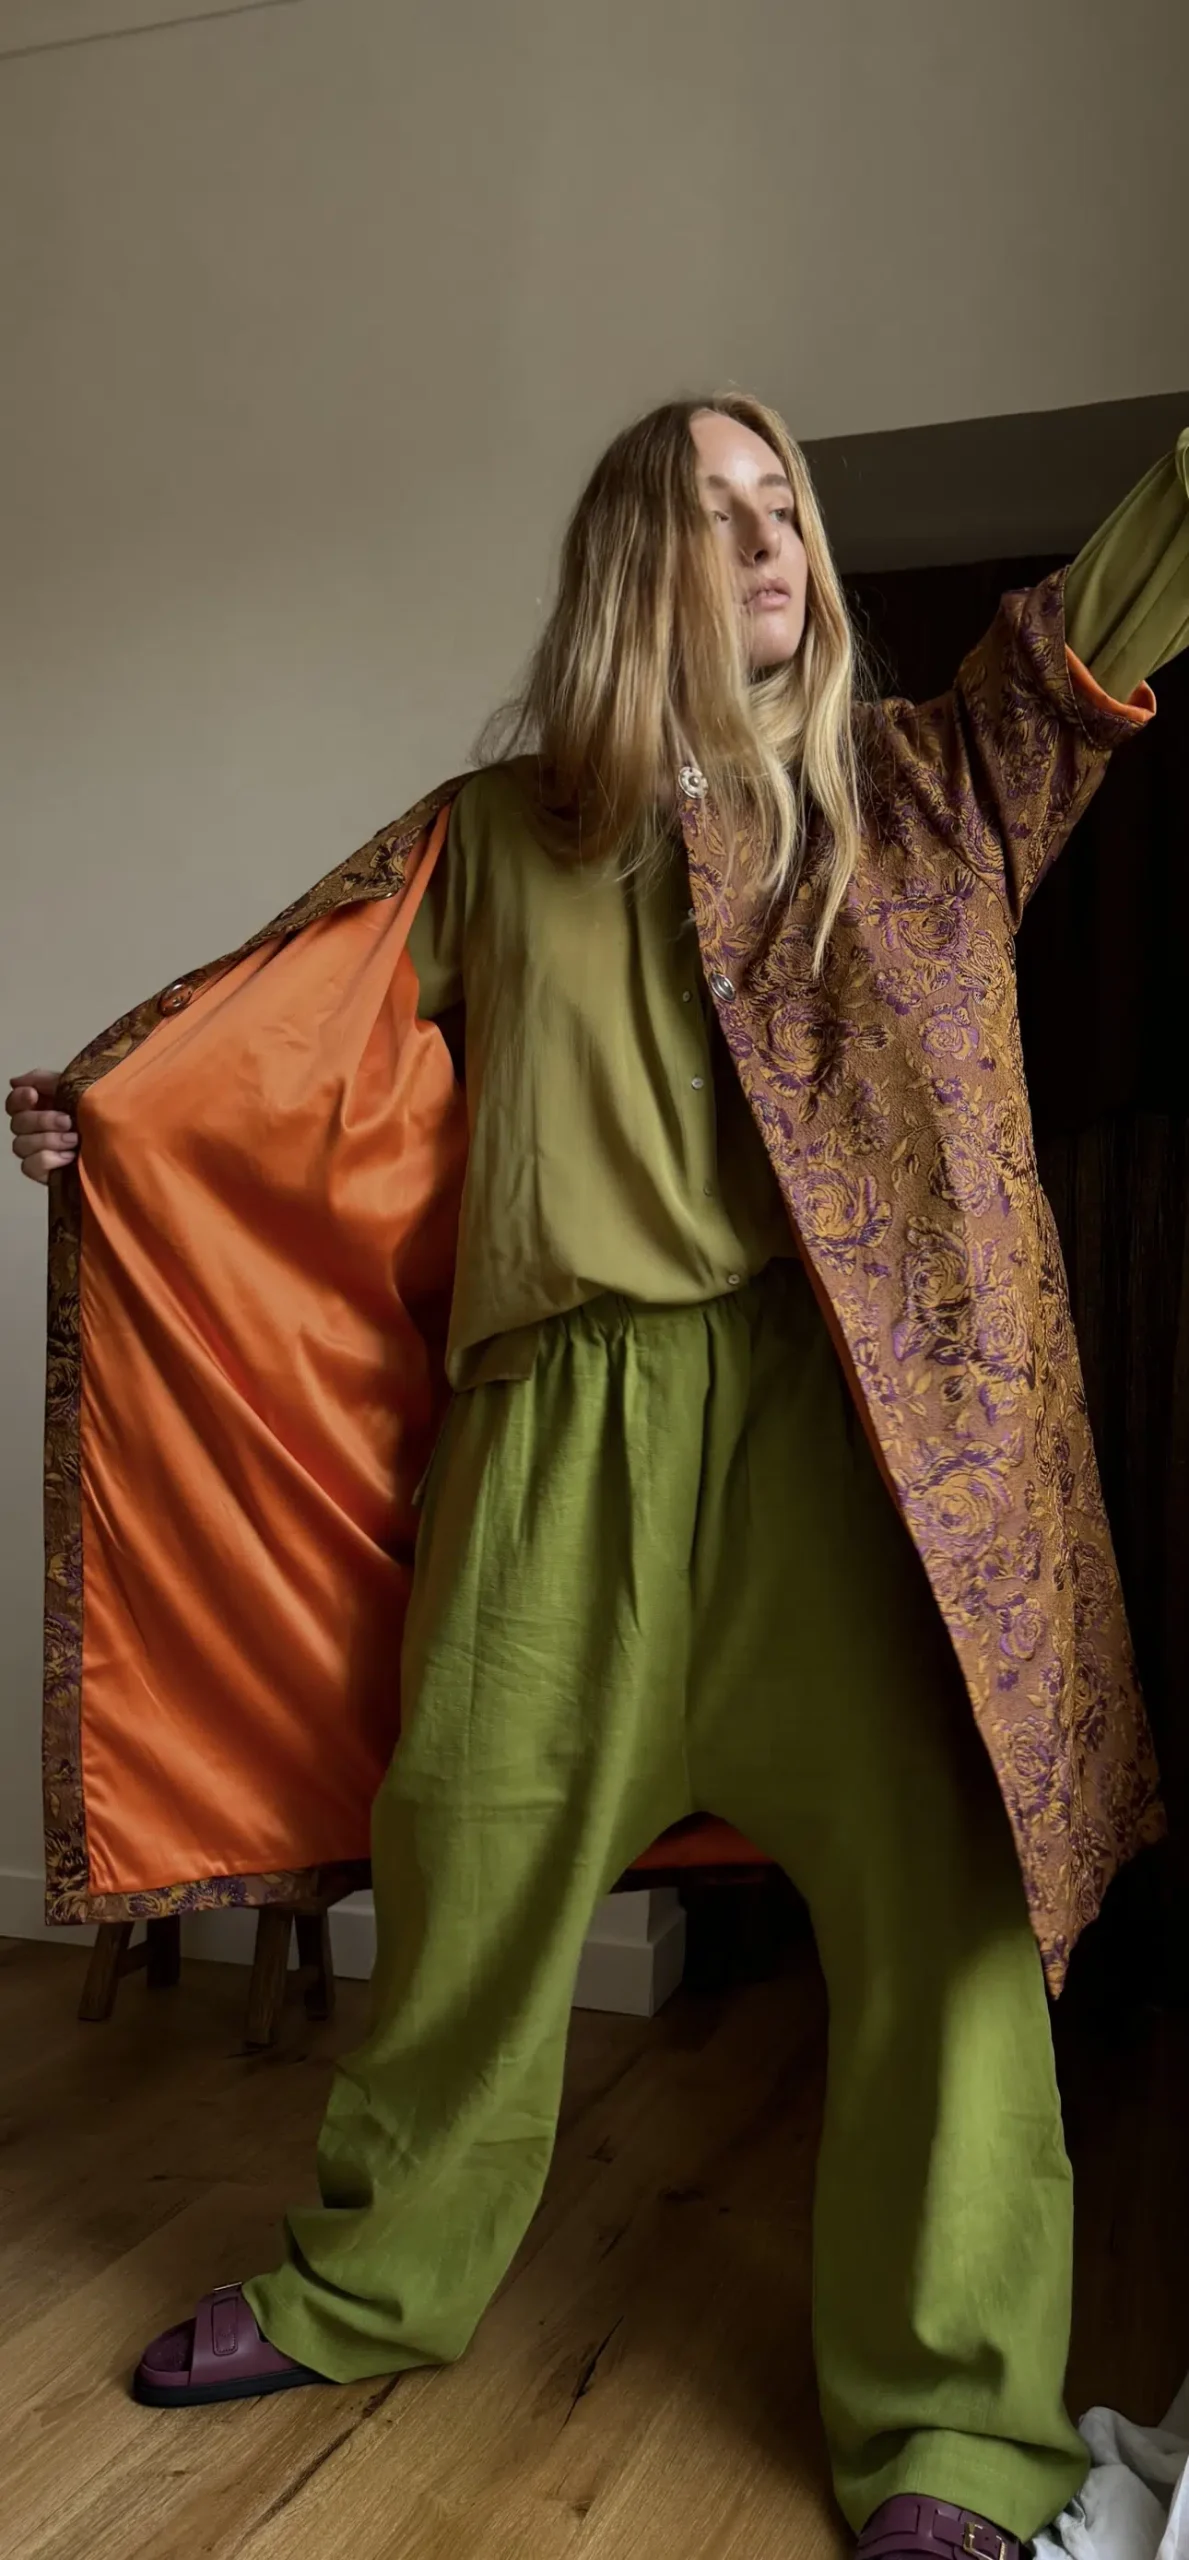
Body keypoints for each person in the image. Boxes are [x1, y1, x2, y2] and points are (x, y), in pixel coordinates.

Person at [9, 397, 1189, 2560]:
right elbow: (280, 1057)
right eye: (717, 511)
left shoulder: (924, 788)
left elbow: (1095, 631)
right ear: (627, 567)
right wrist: (114, 1118)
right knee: (463, 1864)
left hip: (852, 1439)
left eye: (785, 507)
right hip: (556, 1431)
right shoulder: (492, 837)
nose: (774, 539)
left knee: (947, 1915)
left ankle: (954, 2426)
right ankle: (372, 2277)